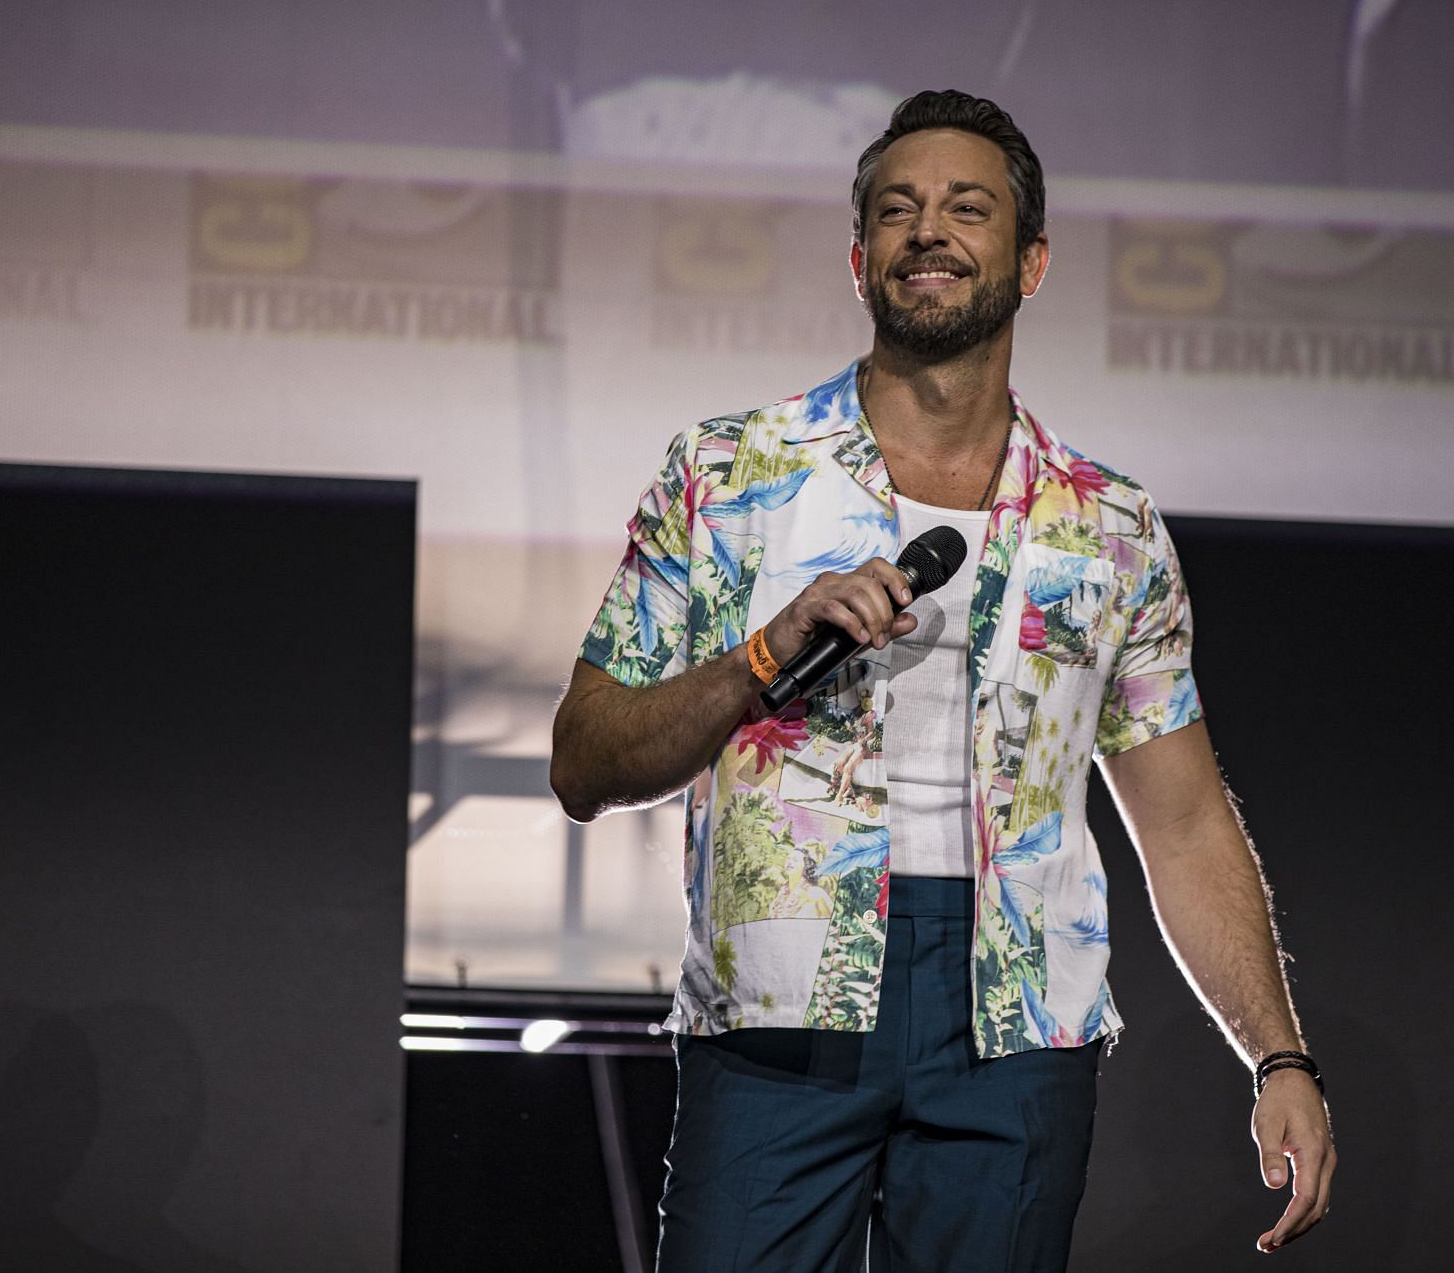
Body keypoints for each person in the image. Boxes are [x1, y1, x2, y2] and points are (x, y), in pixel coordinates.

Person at [551, 89, 1335, 1272]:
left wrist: (1278, 1053)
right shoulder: (728, 472)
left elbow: (1182, 823)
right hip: (779, 1013)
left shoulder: (1108, 526)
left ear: (1031, 260)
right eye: (899, 209)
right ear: (860, 258)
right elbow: (585, 757)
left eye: (969, 209)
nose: (931, 230)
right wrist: (763, 658)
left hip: (1014, 1024)